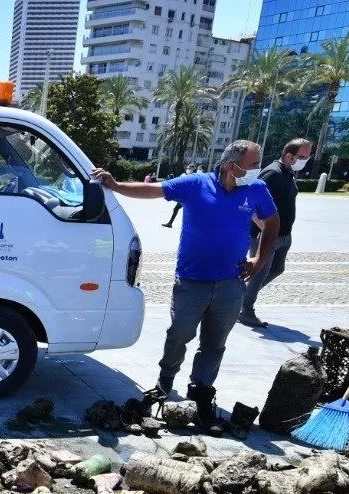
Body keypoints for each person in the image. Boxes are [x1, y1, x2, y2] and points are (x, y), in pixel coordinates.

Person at [93, 140, 278, 428]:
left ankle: (201, 395)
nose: (258, 169)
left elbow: (273, 223)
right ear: (233, 166)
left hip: (230, 284)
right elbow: (155, 190)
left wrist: (258, 260)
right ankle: (163, 385)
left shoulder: (256, 189)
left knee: (214, 345)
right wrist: (116, 186)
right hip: (191, 282)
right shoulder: (195, 184)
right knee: (178, 335)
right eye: (254, 164)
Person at [240, 138, 312, 328]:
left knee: (276, 269)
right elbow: (250, 201)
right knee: (259, 273)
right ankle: (245, 311)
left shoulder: (288, 173)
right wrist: (265, 227)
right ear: (289, 155)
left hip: (284, 235)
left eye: (308, 156)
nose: (306, 160)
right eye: (302, 157)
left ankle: (242, 297)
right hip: (266, 235)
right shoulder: (273, 173)